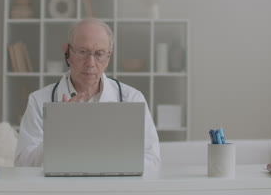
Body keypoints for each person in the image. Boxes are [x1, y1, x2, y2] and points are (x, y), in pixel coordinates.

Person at [14, 18, 161, 169]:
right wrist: (59, 133)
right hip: (62, 190)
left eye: (99, 54)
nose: (91, 63)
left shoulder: (132, 99)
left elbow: (153, 161)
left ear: (109, 56)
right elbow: (22, 164)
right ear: (67, 53)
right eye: (83, 52)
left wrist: (110, 164)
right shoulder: (38, 101)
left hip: (113, 190)